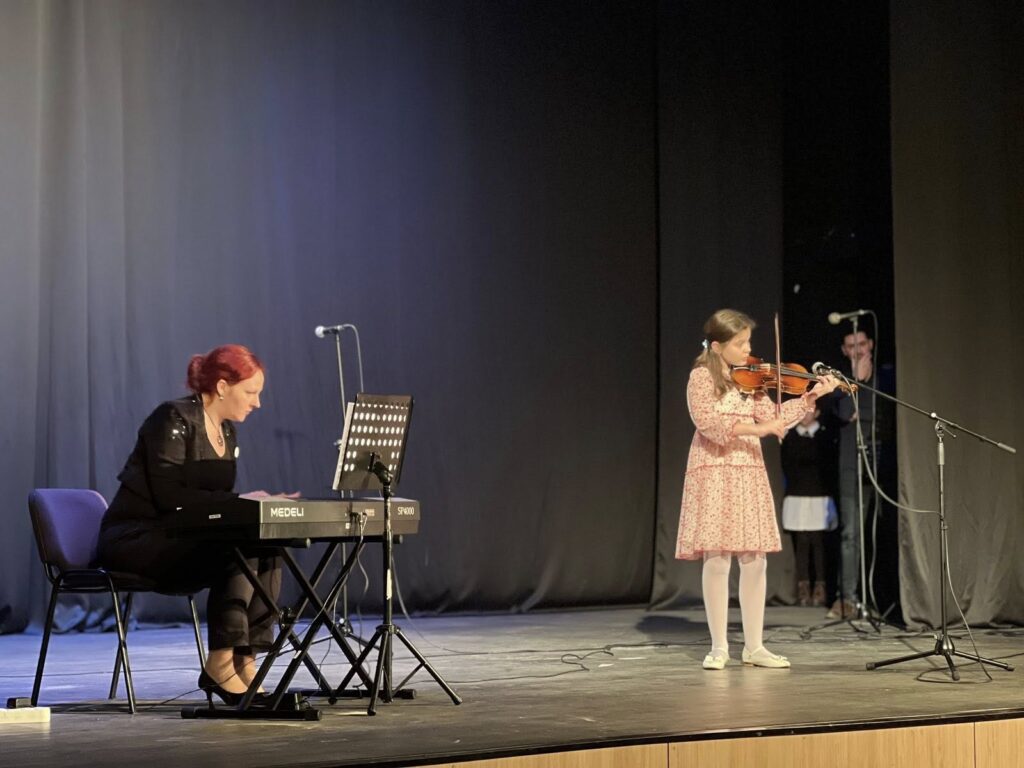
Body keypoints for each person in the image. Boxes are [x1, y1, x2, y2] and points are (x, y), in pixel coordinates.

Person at [97, 344, 282, 705]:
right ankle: (220, 664)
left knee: (267, 547)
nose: (257, 403)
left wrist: (249, 505)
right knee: (235, 549)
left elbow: (212, 504)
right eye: (251, 392)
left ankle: (245, 661)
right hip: (136, 538)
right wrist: (240, 501)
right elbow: (170, 497)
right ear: (223, 386)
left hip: (183, 537)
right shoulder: (172, 418)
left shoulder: (227, 432)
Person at [675, 309, 838, 670]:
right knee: (718, 558)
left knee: (754, 559)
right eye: (740, 343)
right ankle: (719, 647)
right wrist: (757, 430)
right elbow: (707, 423)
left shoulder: (750, 381)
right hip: (715, 469)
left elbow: (774, 418)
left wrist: (811, 397)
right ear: (718, 346)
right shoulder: (701, 377)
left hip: (748, 469)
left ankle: (754, 646)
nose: (748, 349)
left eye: (748, 342)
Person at [826, 328, 879, 619]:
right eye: (851, 346)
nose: (857, 350)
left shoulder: (885, 378)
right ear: (845, 351)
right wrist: (856, 382)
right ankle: (846, 598)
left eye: (861, 344)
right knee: (850, 532)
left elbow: (880, 416)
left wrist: (863, 414)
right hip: (850, 464)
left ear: (870, 344)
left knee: (875, 531)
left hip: (880, 463)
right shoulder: (840, 382)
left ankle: (875, 596)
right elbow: (845, 413)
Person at [780, 407, 838, 608]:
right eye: (802, 411)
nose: (805, 415)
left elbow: (827, 464)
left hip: (819, 494)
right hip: (797, 493)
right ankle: (803, 587)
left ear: (818, 413)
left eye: (809, 411)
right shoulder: (790, 436)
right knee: (802, 542)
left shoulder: (824, 436)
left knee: (818, 541)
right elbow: (787, 464)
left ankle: (820, 586)